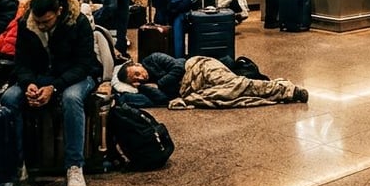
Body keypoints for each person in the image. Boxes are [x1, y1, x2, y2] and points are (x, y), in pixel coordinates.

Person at [0, 0, 100, 186]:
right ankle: (18, 163)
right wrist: (28, 83)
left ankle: (74, 165)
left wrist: (54, 88)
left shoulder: (78, 22)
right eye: (38, 22)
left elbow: (84, 64)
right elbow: (21, 62)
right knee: (8, 99)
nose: (41, 26)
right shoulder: (26, 24)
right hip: (40, 77)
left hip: (77, 76)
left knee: (71, 98)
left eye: (46, 21)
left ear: (59, 11)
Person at [117, 53, 307, 106]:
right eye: (136, 79)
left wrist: (158, 83)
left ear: (137, 64)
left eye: (137, 72)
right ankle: (278, 92)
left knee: (238, 84)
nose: (141, 76)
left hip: (199, 67)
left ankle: (287, 90)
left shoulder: (153, 59)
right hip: (195, 88)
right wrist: (144, 87)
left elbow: (178, 67)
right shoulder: (146, 87)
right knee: (231, 95)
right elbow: (163, 99)